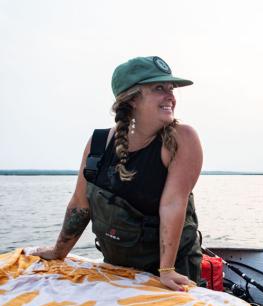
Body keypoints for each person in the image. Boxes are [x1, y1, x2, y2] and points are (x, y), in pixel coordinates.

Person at [29, 56, 203, 290]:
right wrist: (58, 252)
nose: (170, 96)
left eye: (170, 89)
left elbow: (173, 204)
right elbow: (80, 204)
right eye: (158, 88)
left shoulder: (182, 138)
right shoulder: (98, 143)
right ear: (131, 99)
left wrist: (167, 270)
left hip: (170, 273)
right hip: (117, 270)